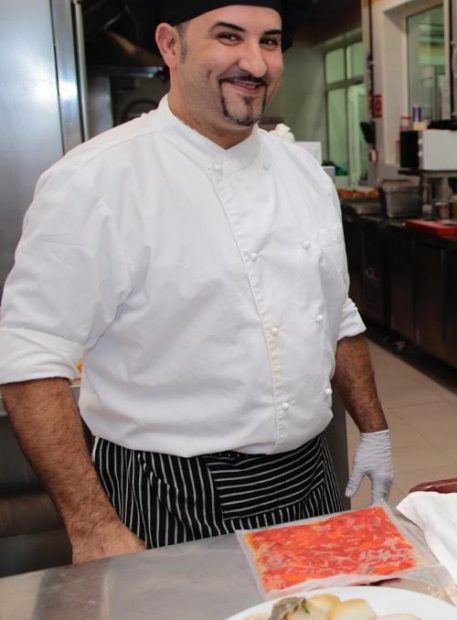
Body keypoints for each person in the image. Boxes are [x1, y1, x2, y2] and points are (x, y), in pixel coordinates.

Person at [0, 0, 394, 563]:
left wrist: (374, 428)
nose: (255, 65)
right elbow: (30, 361)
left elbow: (337, 315)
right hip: (170, 488)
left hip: (308, 474)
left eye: (271, 41)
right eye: (229, 37)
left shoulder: (304, 173)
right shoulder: (94, 180)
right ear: (170, 45)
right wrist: (91, 525)